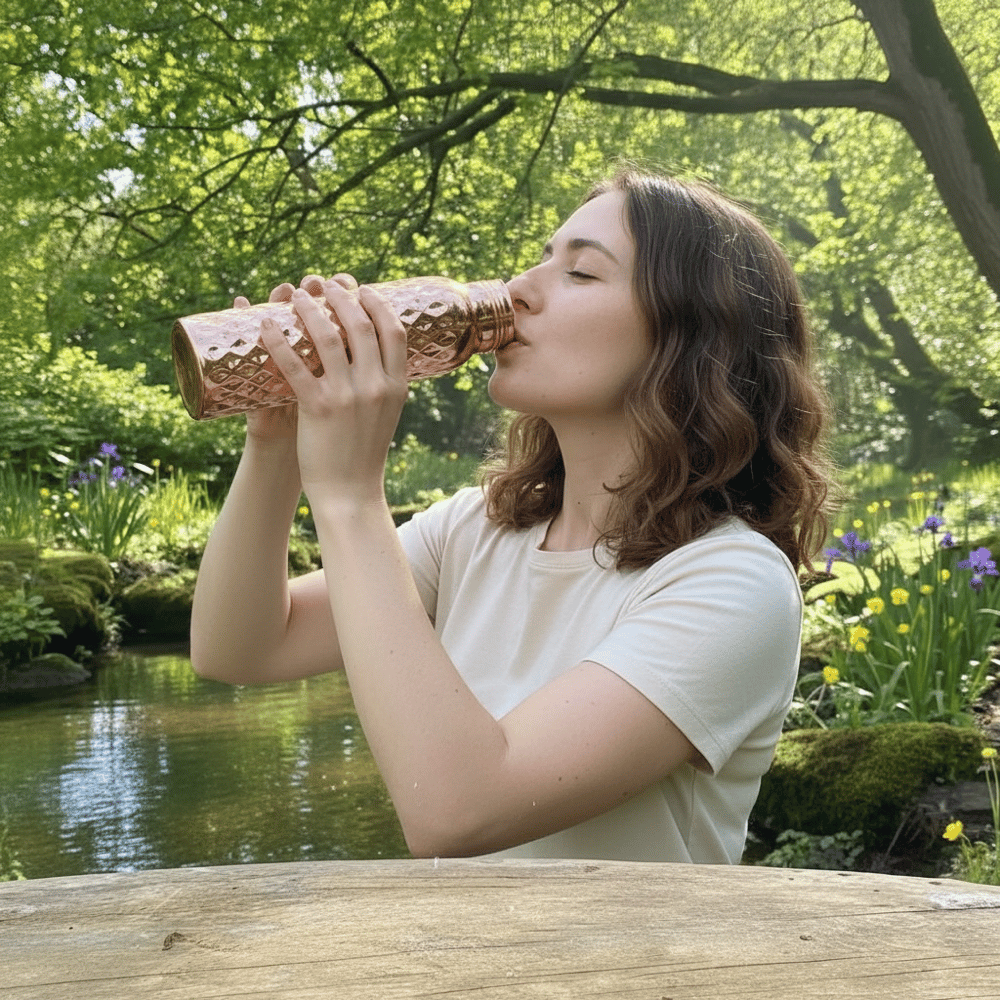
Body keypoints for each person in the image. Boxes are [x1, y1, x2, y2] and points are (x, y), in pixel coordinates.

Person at [190, 168, 835, 864]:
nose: (519, 287)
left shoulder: (732, 582)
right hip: (463, 969)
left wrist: (348, 496)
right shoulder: (477, 531)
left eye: (581, 273)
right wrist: (277, 443)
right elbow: (241, 649)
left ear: (691, 339)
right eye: (541, 258)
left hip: (632, 975)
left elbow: (458, 809)